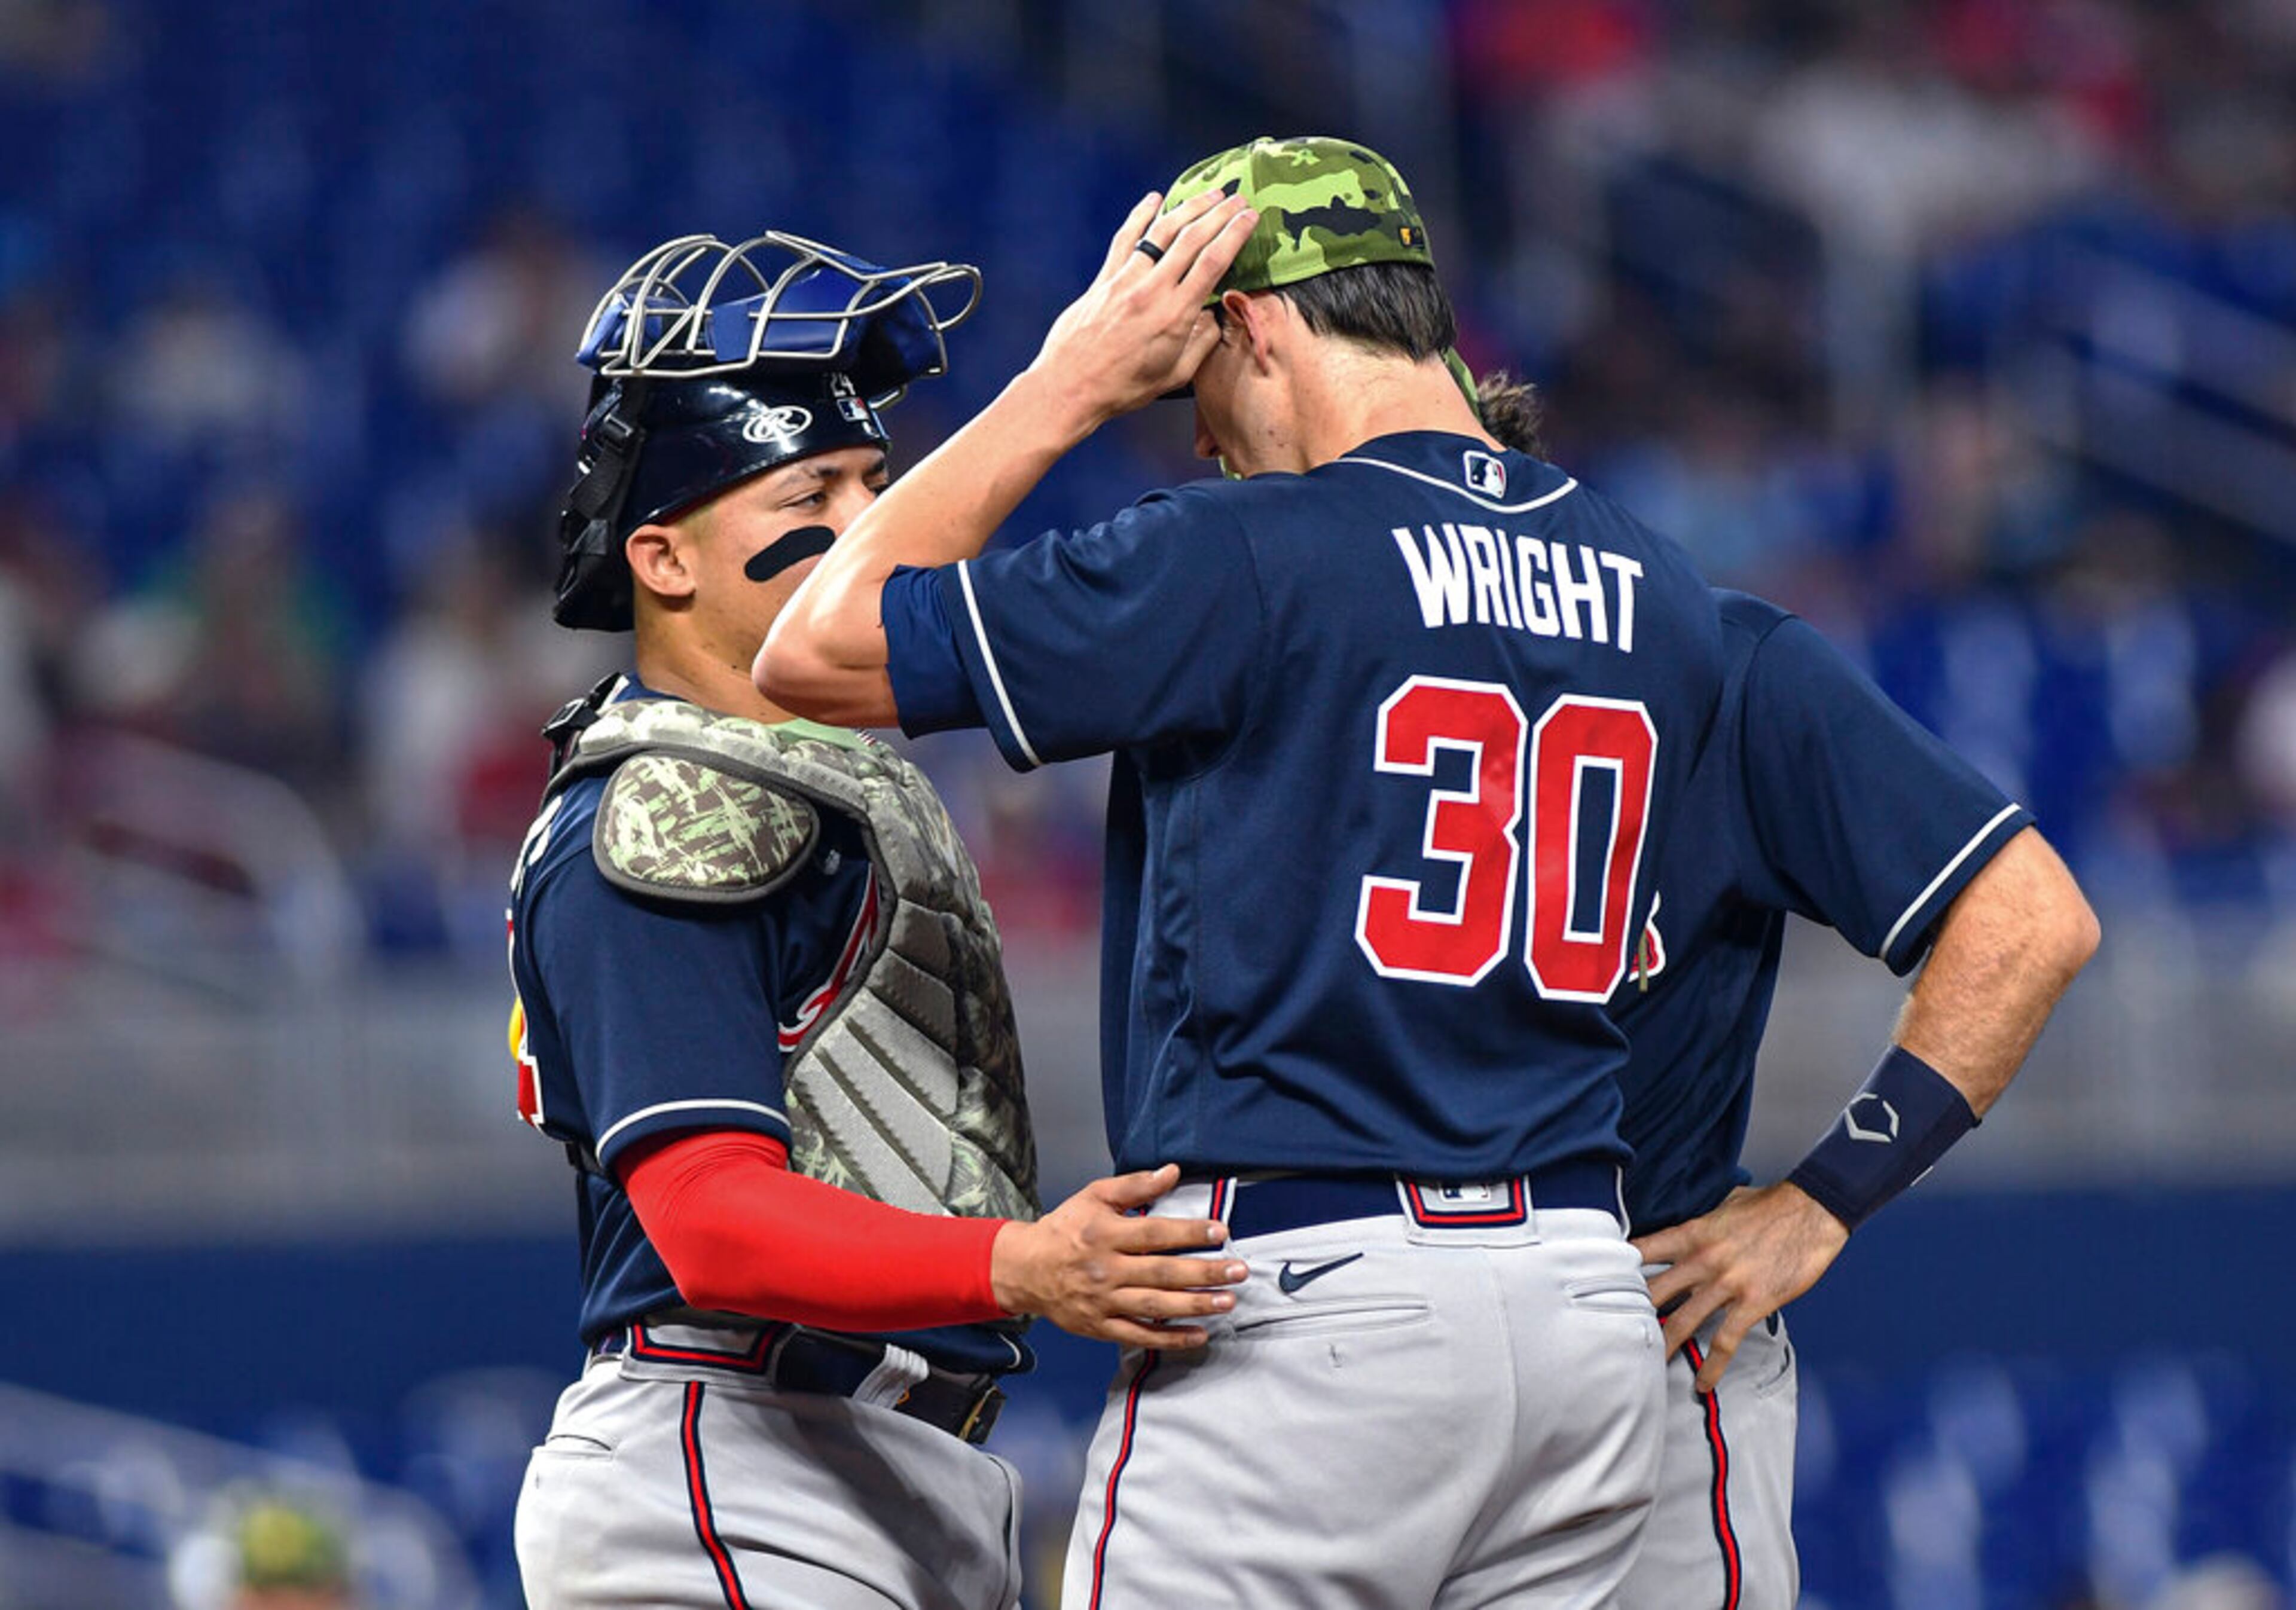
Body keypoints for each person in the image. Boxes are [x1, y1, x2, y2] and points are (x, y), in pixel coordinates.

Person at [758, 137, 1731, 1606]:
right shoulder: (1661, 583)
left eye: (1191, 384)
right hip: (1587, 1298)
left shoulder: (1247, 552)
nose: (1198, 439)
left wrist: (1069, 382)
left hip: (1315, 1298)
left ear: (1254, 321)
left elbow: (813, 647)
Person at [505, 231, 1241, 1610]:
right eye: (813, 488)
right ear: (661, 558)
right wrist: (1026, 1262)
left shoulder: (806, 773)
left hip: (863, 1463)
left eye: (872, 481)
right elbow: (712, 1219)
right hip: (730, 1460)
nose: (868, 519)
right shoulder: (670, 804)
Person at [1471, 374, 2100, 1606]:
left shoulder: (1718, 664)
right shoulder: (1296, 668)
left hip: (1635, 1324)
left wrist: (1822, 1199)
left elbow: (2029, 921)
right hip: (1359, 1340)